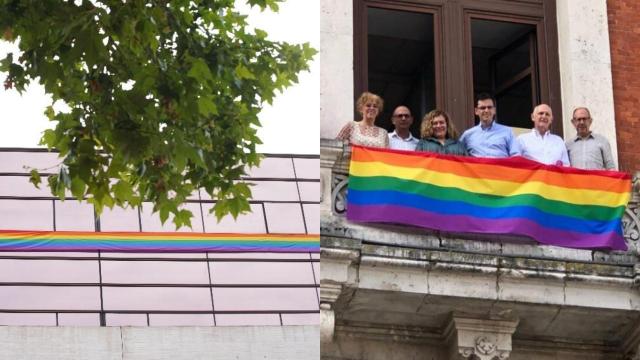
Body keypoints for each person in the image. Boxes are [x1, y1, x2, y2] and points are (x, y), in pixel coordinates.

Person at [459, 93, 520, 157]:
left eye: (489, 107)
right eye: (482, 108)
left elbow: (516, 156)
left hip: (500, 166)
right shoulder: (467, 135)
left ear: (494, 110)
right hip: (477, 167)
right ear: (476, 111)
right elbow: (457, 154)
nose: (486, 110)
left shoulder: (508, 132)